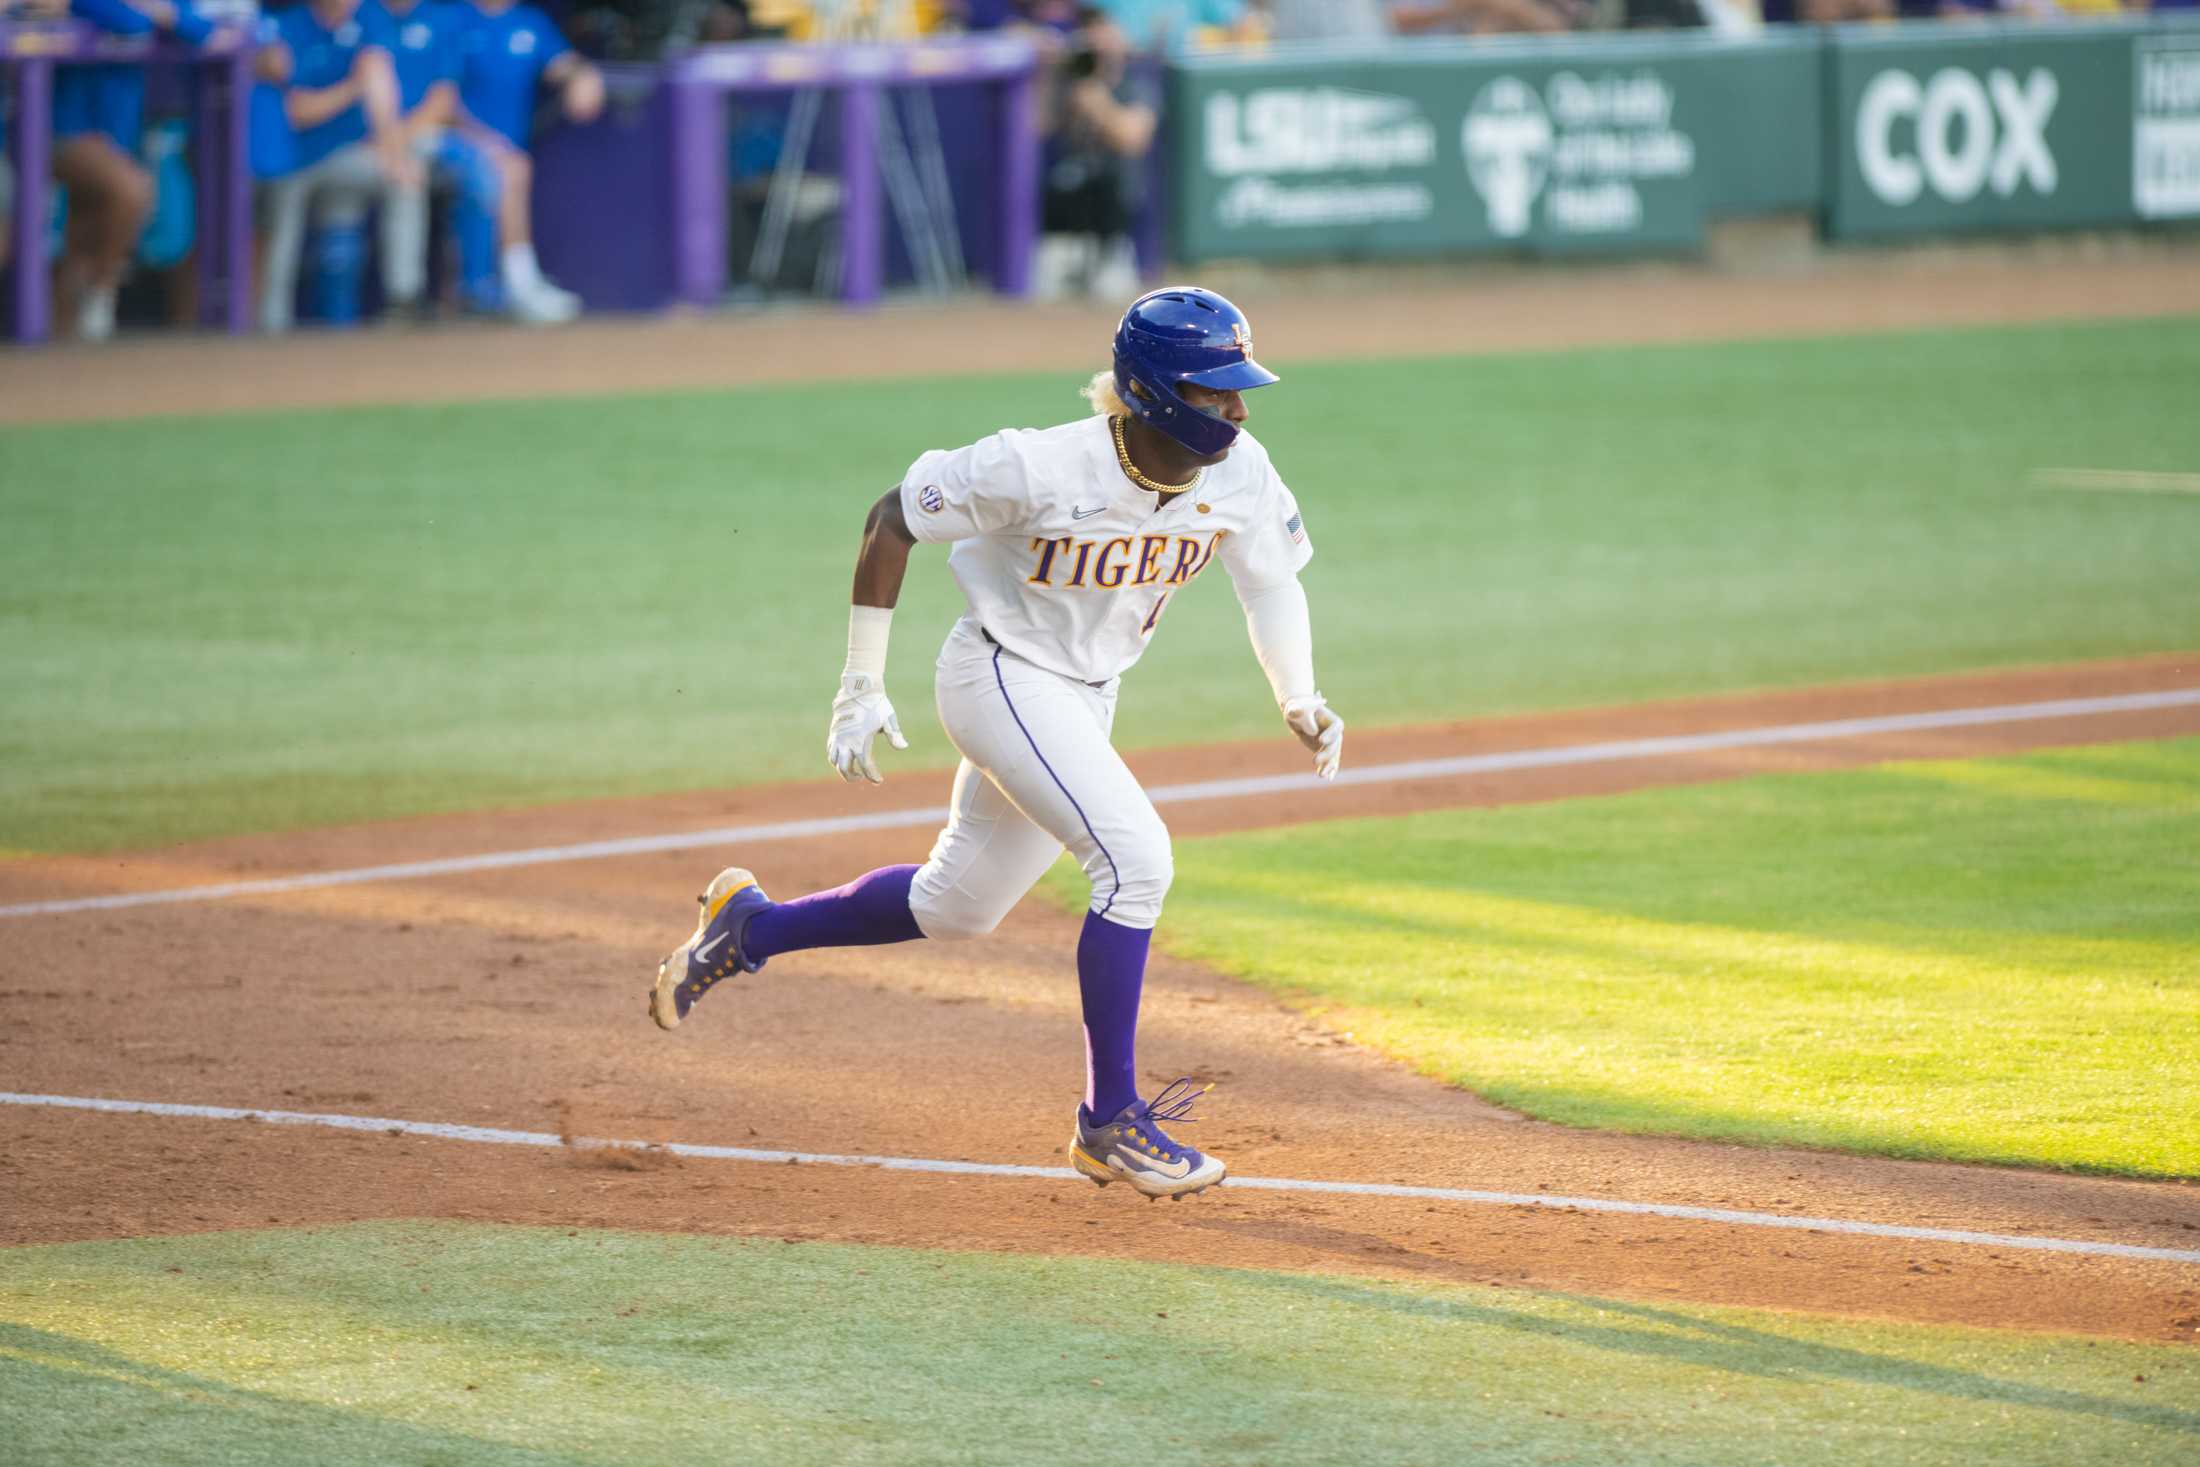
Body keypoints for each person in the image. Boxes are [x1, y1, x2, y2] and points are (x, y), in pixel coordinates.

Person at [647, 288, 1346, 1202]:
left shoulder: (1240, 471)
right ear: (1152, 392)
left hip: (1085, 697)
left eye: (1239, 390)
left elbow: (1270, 582)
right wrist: (860, 680)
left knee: (956, 907)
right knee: (1135, 862)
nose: (1240, 410)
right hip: (998, 676)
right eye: (1216, 392)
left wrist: (1298, 691)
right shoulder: (1036, 465)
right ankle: (1111, 1121)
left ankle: (748, 928)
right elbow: (891, 516)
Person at [52, 0, 220, 340]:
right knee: (132, 190)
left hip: (119, 135)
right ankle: (102, 288)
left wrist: (158, 10)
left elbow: (202, 29)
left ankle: (65, 337)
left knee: (84, 230)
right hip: (62, 129)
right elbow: (130, 23)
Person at [253, 0, 423, 331]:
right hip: (295, 160)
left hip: (348, 156)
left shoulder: (368, 19)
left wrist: (393, 153)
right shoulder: (287, 27)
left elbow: (380, 85)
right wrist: (352, 86)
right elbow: (298, 112)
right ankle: (270, 326)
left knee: (405, 177)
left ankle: (404, 298)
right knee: (281, 236)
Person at [453, 0, 604, 323]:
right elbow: (440, 95)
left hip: (508, 147)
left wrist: (584, 74)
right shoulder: (455, 18)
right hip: (457, 140)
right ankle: (518, 284)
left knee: (511, 168)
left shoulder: (528, 21)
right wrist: (485, 141)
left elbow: (562, 63)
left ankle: (506, 286)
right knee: (511, 170)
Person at [360, 0, 510, 318]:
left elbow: (443, 100)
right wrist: (388, 144)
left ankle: (475, 293)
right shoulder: (364, 15)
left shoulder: (440, 18)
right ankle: (405, 298)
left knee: (479, 174)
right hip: (361, 141)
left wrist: (397, 141)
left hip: (422, 135)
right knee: (406, 177)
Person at [1035, 10, 1154, 300]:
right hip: (1070, 197)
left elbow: (1132, 138)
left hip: (1115, 198)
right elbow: (1037, 126)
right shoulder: (1066, 84)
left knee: (1110, 187)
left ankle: (1107, 266)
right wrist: (1050, 75)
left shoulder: (1136, 84)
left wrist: (1096, 99)